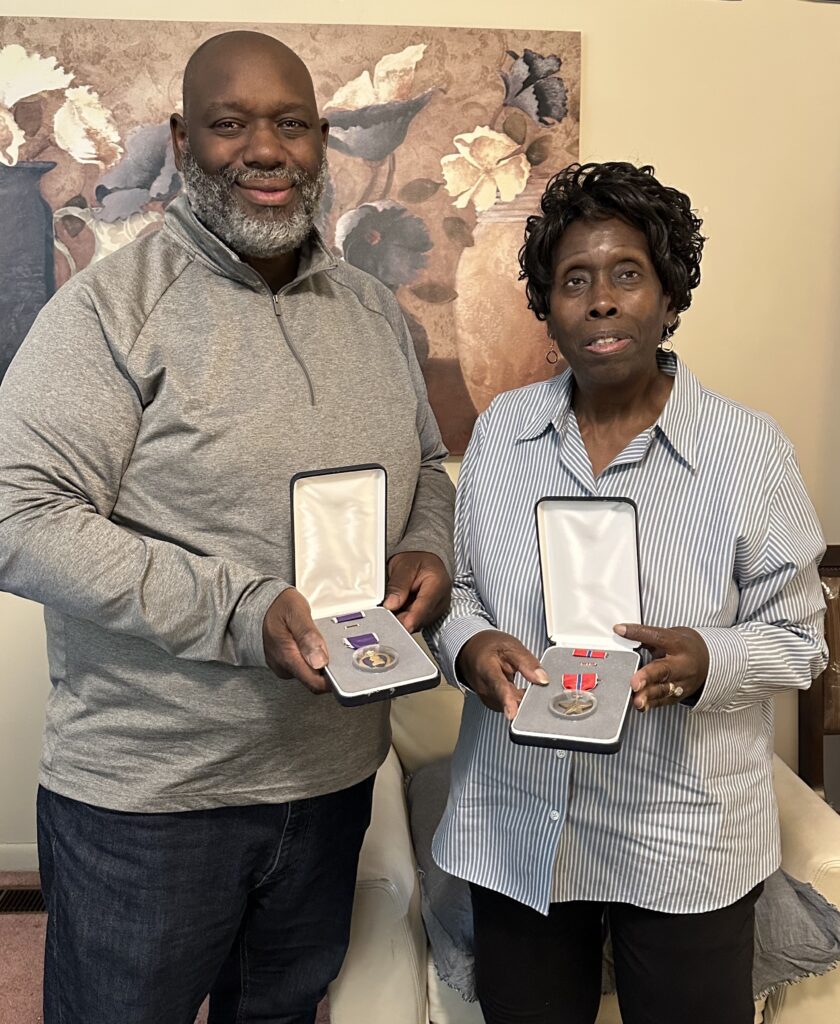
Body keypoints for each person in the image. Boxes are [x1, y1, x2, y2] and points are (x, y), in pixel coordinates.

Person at [0, 30, 454, 1024]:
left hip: (331, 778)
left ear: (321, 140)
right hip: (149, 798)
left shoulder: (375, 313)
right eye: (231, 123)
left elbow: (425, 464)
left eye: (290, 123)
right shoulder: (110, 313)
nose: (265, 148)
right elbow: (19, 515)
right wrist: (241, 610)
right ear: (180, 138)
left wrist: (430, 543)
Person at [428, 161, 826, 1024]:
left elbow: (800, 638)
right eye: (574, 281)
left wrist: (706, 659)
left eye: (627, 275)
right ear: (547, 307)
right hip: (520, 818)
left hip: (682, 833)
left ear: (671, 298)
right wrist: (467, 645)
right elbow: (460, 589)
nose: (600, 301)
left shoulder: (749, 449)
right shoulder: (502, 433)